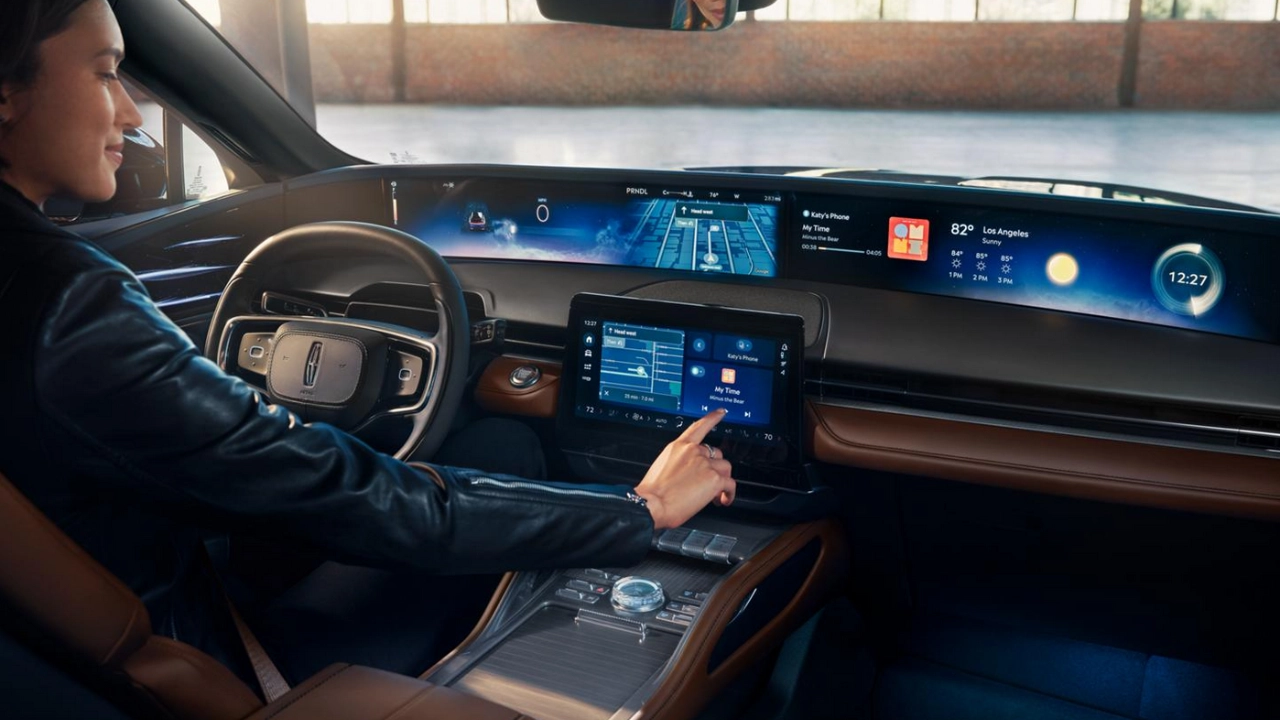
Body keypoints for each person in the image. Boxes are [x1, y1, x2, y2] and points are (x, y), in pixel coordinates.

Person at [0, 0, 736, 692]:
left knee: (502, 446)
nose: (132, 115)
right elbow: (358, 496)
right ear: (5, 91)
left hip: (72, 653)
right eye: (104, 73)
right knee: (503, 447)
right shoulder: (74, 308)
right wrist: (641, 508)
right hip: (201, 669)